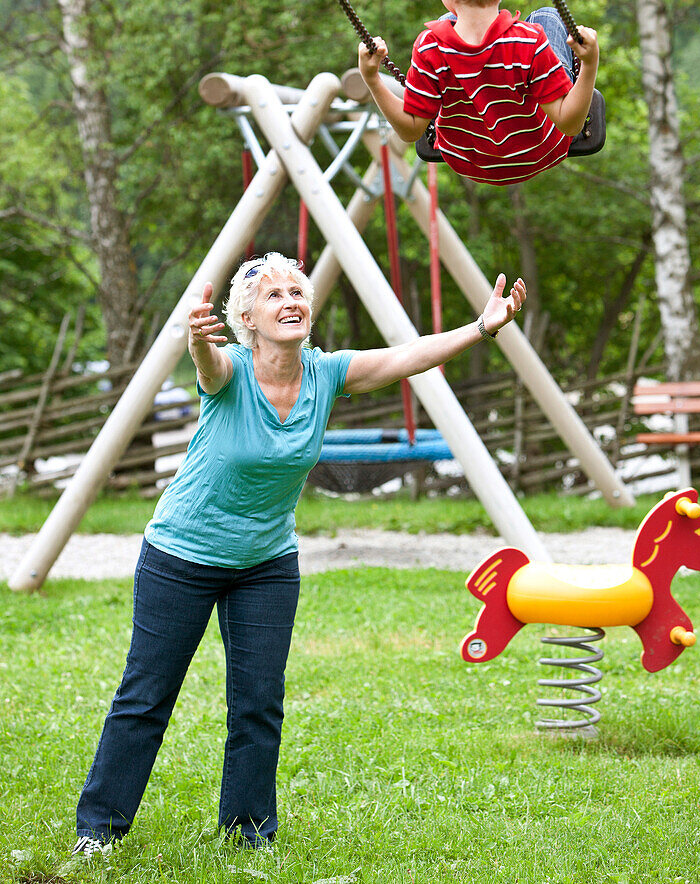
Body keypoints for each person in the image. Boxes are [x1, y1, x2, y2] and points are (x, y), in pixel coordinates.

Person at [73, 252, 526, 857]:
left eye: (299, 292)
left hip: (266, 563)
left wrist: (481, 327)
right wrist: (200, 341)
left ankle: (248, 835)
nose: (291, 300)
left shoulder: (326, 372)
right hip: (182, 554)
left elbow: (406, 357)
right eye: (273, 294)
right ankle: (99, 833)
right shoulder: (229, 367)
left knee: (258, 702)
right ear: (247, 320)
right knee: (146, 697)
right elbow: (207, 369)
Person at [357, 0, 600, 186]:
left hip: (467, 161)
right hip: (540, 152)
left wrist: (372, 78)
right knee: (547, 16)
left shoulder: (429, 47)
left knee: (446, 22)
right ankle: (558, 87)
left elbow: (411, 130)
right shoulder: (530, 40)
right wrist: (589, 65)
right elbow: (570, 125)